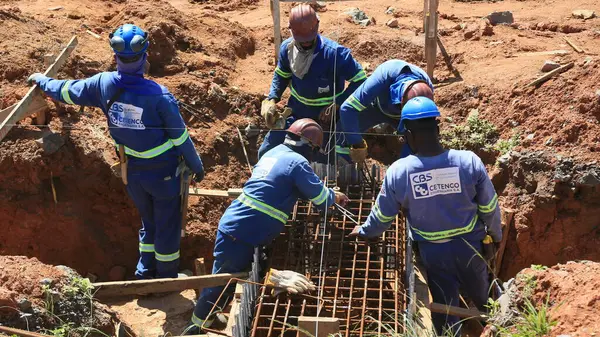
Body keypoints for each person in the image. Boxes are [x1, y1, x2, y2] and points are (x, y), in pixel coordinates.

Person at [27, 24, 205, 279]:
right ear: (144, 57)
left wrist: (41, 80)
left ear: (116, 56)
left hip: (131, 173)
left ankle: (144, 273)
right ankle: (166, 278)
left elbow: (66, 91)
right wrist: (196, 166)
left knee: (148, 222)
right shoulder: (160, 96)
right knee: (167, 225)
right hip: (164, 175)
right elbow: (180, 138)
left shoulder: (103, 85)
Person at [349, 97, 501, 335]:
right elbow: (490, 207)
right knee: (486, 301)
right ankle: (501, 328)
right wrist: (495, 237)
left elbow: (382, 215)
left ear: (408, 135)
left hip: (434, 252)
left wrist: (366, 230)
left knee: (446, 310)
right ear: (437, 129)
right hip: (471, 247)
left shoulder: (400, 171)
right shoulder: (468, 161)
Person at [184, 118, 349, 334]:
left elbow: (280, 185)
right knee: (222, 281)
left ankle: (210, 317)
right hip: (241, 231)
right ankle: (196, 327)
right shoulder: (298, 163)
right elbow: (320, 199)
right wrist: (334, 196)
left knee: (231, 278)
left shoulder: (274, 152)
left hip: (242, 228)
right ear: (309, 146)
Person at [259, 4, 367, 159]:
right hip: (297, 113)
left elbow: (360, 80)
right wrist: (272, 98)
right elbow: (281, 75)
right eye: (302, 41)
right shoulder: (287, 49)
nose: (306, 44)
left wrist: (338, 103)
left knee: (327, 160)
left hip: (327, 121)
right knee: (266, 152)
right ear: (292, 32)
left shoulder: (335, 54)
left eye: (309, 40)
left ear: (317, 27)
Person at [337, 59, 434, 164]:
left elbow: (424, 131)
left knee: (416, 146)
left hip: (403, 118)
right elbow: (347, 109)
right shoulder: (383, 78)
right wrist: (357, 144)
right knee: (343, 133)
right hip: (376, 108)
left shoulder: (426, 92)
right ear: (401, 101)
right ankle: (344, 170)